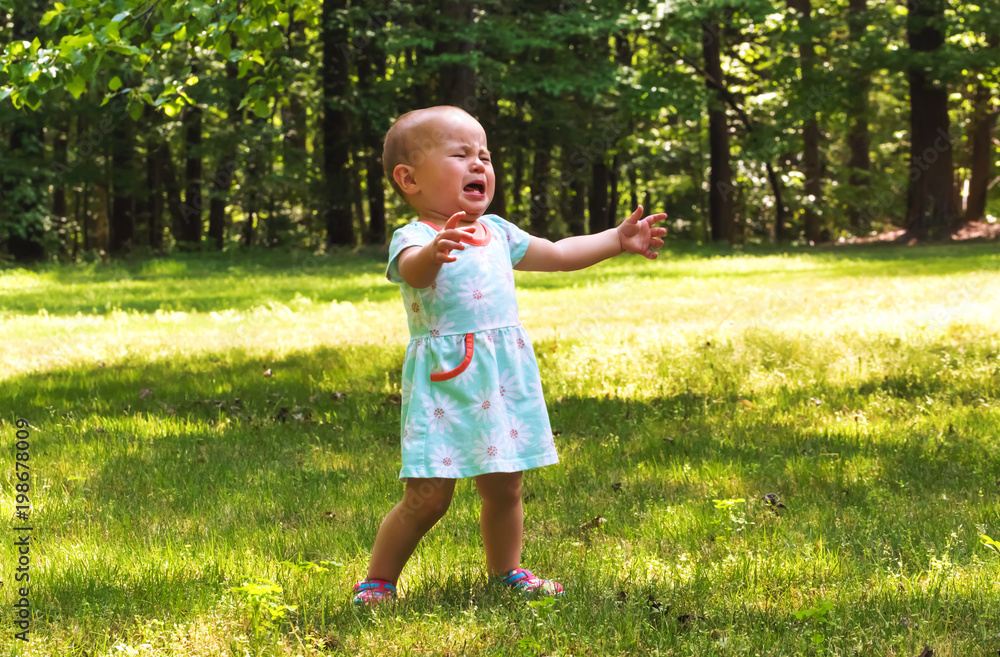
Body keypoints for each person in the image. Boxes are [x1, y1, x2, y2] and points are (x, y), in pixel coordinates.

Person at [352, 105, 667, 605]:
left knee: (505, 487)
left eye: (485, 156)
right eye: (461, 155)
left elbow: (559, 254)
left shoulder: (497, 230)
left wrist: (616, 240)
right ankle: (378, 580)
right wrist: (435, 253)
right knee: (428, 497)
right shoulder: (416, 238)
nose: (479, 165)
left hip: (501, 379)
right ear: (408, 178)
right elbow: (413, 272)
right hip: (447, 384)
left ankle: (506, 570)